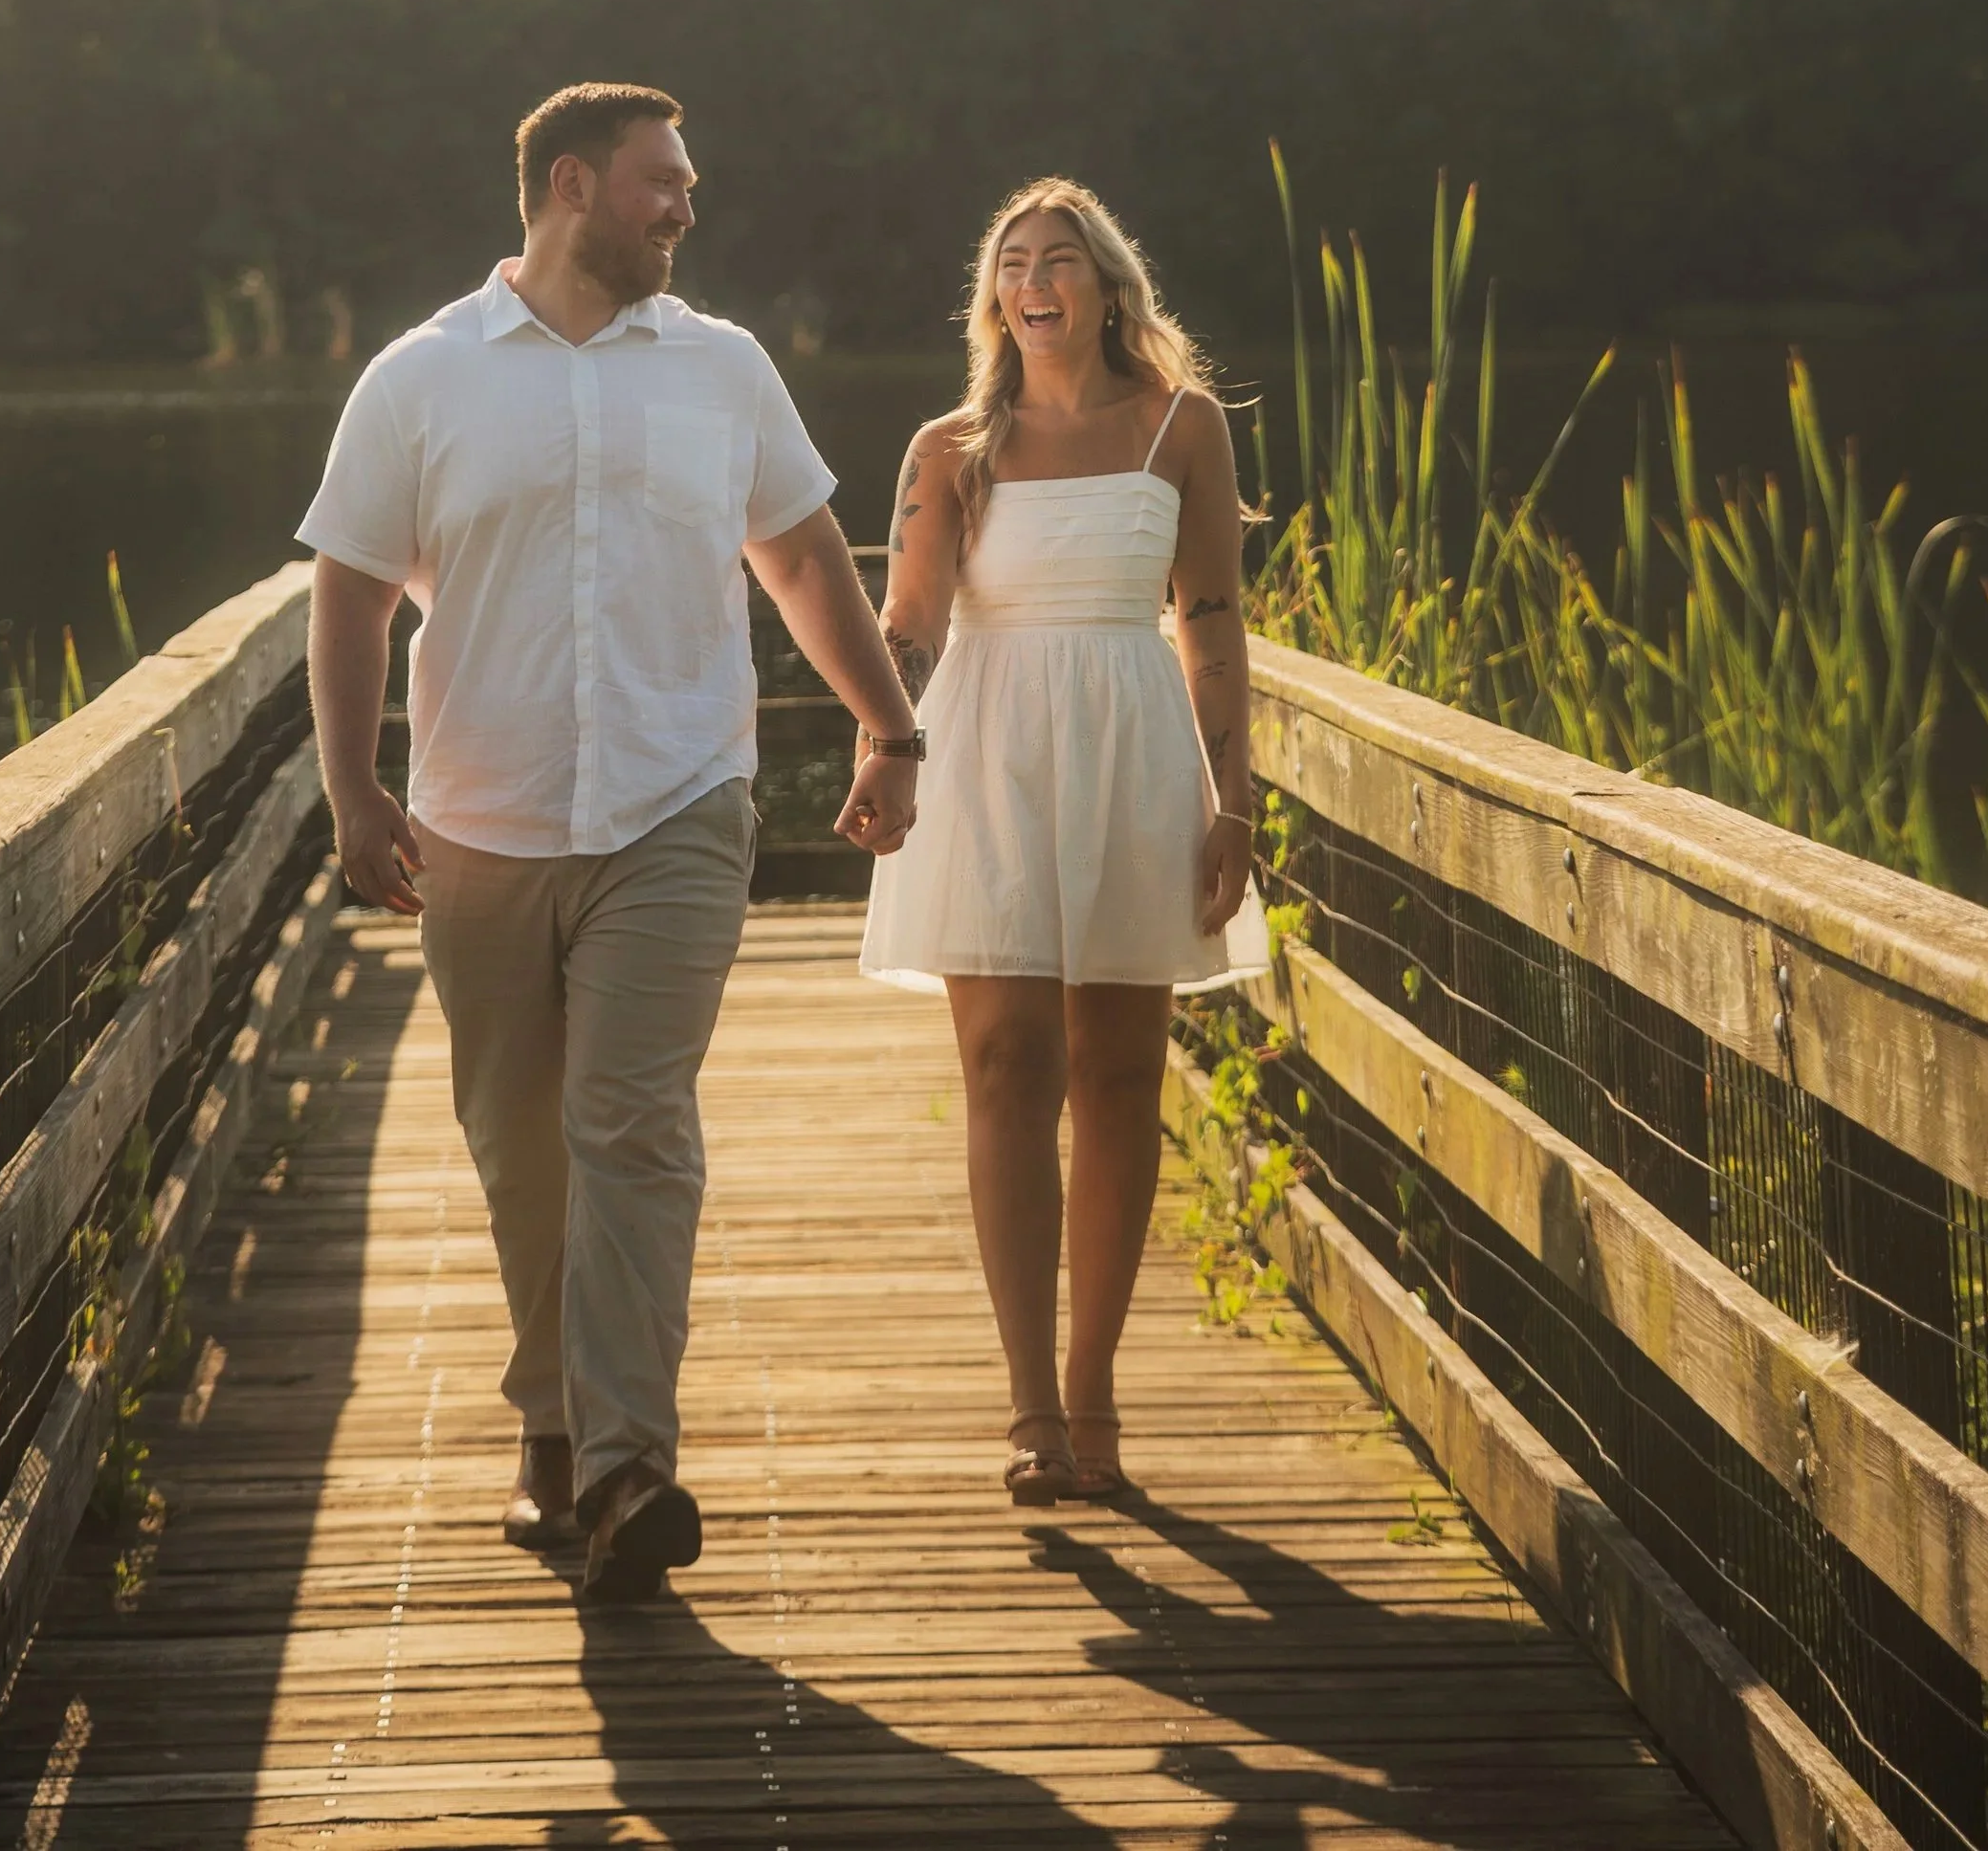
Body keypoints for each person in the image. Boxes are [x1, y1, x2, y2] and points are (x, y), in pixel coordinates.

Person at [298, 84, 920, 1602]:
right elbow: (353, 595)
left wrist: (892, 728)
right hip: (482, 822)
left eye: (690, 183)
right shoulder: (420, 377)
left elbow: (802, 556)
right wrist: (353, 791)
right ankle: (553, 1430)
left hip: (677, 804)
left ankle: (631, 1460)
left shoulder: (723, 369)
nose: (685, 206)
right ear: (570, 186)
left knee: (630, 1127)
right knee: (523, 1151)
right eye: (662, 183)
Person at [859, 177, 1270, 1503]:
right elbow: (912, 621)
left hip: (1132, 744)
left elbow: (1208, 614)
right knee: (1003, 1063)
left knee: (1117, 1077)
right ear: (997, 298)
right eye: (1011, 263)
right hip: (988, 746)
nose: (1033, 280)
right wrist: (882, 739)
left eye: (1058, 260)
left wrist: (1236, 799)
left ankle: (1096, 1396)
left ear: (1106, 288)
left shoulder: (1181, 426)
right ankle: (1030, 1406)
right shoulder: (951, 447)